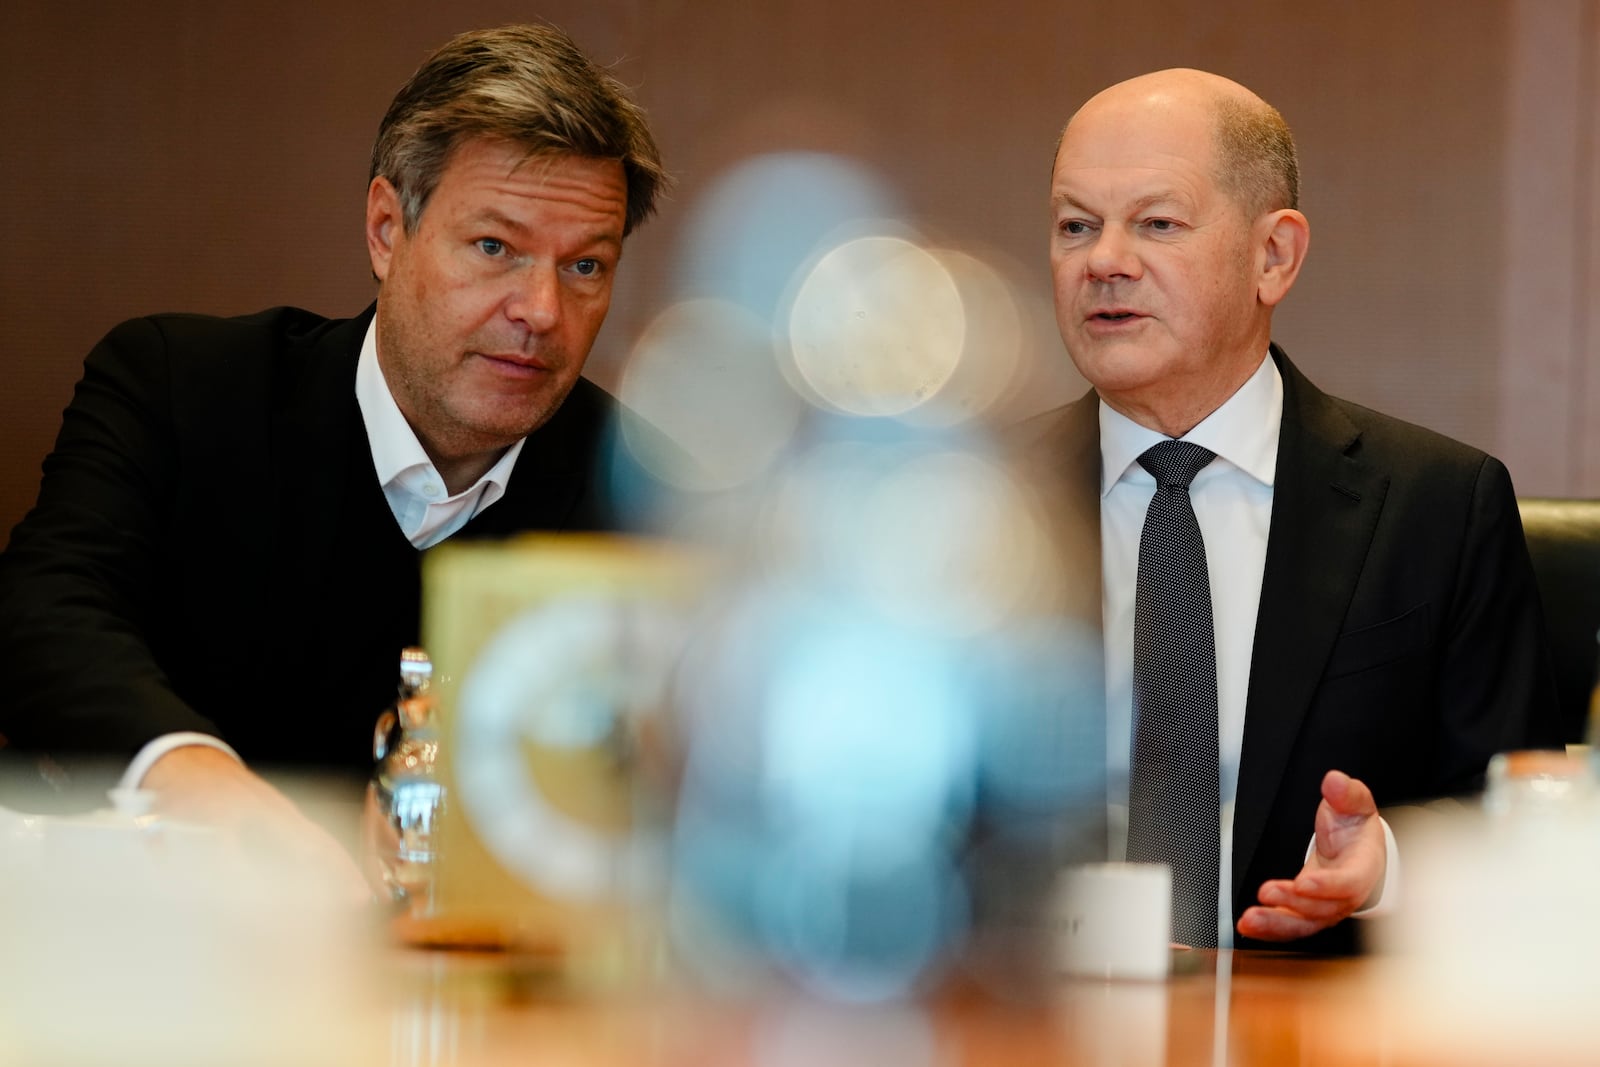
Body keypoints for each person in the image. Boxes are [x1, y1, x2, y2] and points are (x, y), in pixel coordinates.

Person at [0, 24, 667, 888]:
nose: (540, 310)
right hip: (172, 946)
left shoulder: (644, 490)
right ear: (388, 229)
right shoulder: (182, 388)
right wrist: (210, 787)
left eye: (584, 265)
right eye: (494, 247)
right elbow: (41, 614)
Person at [1021, 68, 1560, 952]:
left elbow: (1518, 813)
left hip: (1315, 1024)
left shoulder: (1435, 506)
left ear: (1274, 256)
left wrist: (1381, 862)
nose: (1104, 260)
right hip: (1027, 1022)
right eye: (1076, 225)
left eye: (1156, 223)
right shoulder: (976, 502)